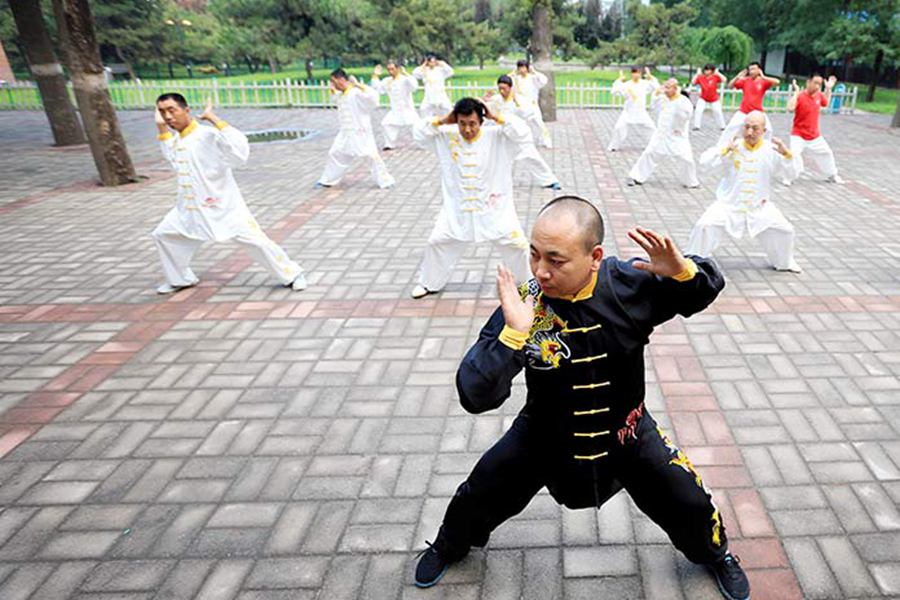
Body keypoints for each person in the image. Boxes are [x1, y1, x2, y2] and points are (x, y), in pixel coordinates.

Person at [413, 195, 750, 600]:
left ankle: (716, 554)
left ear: (595, 257)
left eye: (556, 260)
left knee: (687, 498)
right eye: (534, 255)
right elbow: (474, 394)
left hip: (627, 432)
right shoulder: (526, 303)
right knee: (482, 489)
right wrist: (514, 336)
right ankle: (448, 546)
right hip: (542, 434)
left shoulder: (629, 282)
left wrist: (681, 272)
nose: (541, 271)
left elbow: (703, 290)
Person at [152, 94, 307, 294]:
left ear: (186, 110)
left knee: (258, 242)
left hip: (222, 206)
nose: (168, 116)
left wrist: (213, 118)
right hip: (189, 209)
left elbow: (239, 149)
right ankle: (180, 278)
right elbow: (172, 157)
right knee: (163, 234)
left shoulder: (207, 135)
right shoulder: (176, 140)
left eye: (172, 110)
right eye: (163, 112)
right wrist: (161, 129)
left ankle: (292, 274)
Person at [410, 98, 532, 299]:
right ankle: (428, 283)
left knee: (518, 246)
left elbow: (524, 134)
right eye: (462, 124)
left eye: (472, 124)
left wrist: (497, 117)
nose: (467, 130)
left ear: (481, 121)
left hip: (495, 210)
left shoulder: (498, 137)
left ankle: (531, 283)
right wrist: (442, 120)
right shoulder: (446, 138)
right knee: (437, 242)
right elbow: (418, 134)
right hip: (457, 212)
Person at [687, 111, 802, 273]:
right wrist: (725, 150)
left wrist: (787, 155)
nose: (749, 132)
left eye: (755, 128)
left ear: (763, 130)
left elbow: (792, 174)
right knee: (704, 225)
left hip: (759, 207)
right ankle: (691, 262)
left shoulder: (772, 150)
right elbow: (705, 164)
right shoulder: (733, 146)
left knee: (785, 230)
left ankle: (784, 262)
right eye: (746, 127)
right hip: (728, 205)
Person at [315, 68, 395, 189]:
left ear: (341, 79)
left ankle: (386, 181)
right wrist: (333, 91)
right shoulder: (341, 94)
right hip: (345, 133)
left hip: (360, 131)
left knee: (371, 156)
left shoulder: (356, 93)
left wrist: (358, 85)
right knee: (335, 153)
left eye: (333, 81)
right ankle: (327, 180)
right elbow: (335, 99)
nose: (332, 84)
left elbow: (373, 98)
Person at [484, 75, 561, 190]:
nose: (501, 91)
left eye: (504, 88)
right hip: (505, 135)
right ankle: (494, 182)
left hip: (520, 135)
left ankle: (550, 180)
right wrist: (484, 101)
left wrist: (517, 103)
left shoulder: (519, 100)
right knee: (497, 158)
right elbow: (488, 113)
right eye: (499, 88)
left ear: (510, 87)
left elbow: (528, 114)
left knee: (532, 157)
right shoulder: (496, 99)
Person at [627, 78, 700, 188]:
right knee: (649, 153)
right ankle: (636, 177)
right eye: (664, 87)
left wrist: (678, 128)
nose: (665, 90)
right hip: (661, 135)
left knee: (687, 159)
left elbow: (687, 116)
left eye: (668, 88)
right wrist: (656, 94)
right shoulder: (663, 99)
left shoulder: (683, 101)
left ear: (675, 89)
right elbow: (653, 107)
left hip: (677, 136)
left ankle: (691, 182)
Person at [785, 74, 843, 184]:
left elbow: (826, 102)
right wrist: (796, 92)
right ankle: (789, 177)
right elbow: (789, 107)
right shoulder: (800, 96)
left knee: (827, 153)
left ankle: (832, 174)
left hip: (814, 135)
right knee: (794, 155)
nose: (817, 86)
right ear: (808, 82)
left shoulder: (818, 96)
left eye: (819, 84)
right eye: (815, 83)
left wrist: (828, 88)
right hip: (798, 134)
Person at [717, 62, 778, 147]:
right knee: (730, 128)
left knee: (768, 130)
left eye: (753, 69)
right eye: (750, 69)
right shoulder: (745, 80)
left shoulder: (763, 81)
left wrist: (763, 76)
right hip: (744, 111)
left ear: (759, 70)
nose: (751, 71)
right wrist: (737, 77)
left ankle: (765, 148)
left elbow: (777, 82)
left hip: (758, 112)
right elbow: (730, 85)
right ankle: (720, 148)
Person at [607, 67, 659, 152]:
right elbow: (614, 91)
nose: (636, 75)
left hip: (641, 112)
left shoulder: (644, 84)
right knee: (618, 127)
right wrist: (619, 80)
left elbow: (656, 87)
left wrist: (650, 76)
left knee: (651, 128)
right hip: (628, 112)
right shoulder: (627, 84)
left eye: (638, 73)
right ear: (631, 74)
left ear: (641, 74)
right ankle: (614, 146)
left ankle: (654, 146)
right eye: (634, 73)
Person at [371, 61, 419, 151]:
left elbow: (415, 86)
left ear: (397, 69)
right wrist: (375, 75)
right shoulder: (387, 81)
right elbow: (378, 88)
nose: (390, 71)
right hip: (395, 110)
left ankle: (423, 143)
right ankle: (389, 144)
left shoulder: (405, 79)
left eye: (392, 69)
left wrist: (406, 74)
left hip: (407, 109)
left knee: (417, 127)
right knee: (386, 124)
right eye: (389, 69)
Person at [508, 59, 552, 148]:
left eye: (523, 67)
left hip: (532, 105)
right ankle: (520, 141)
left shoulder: (533, 78)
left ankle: (546, 140)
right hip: (520, 106)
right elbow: (505, 81)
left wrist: (534, 72)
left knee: (539, 123)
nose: (522, 70)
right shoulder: (516, 78)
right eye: (520, 68)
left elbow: (543, 80)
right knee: (518, 123)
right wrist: (512, 73)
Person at [692, 64, 726, 130]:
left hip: (714, 98)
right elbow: (693, 82)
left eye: (708, 70)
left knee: (717, 111)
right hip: (703, 97)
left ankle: (722, 126)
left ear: (712, 71)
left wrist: (718, 73)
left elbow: (724, 80)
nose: (706, 71)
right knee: (698, 110)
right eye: (705, 69)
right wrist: (697, 74)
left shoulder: (715, 77)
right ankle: (696, 126)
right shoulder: (701, 77)